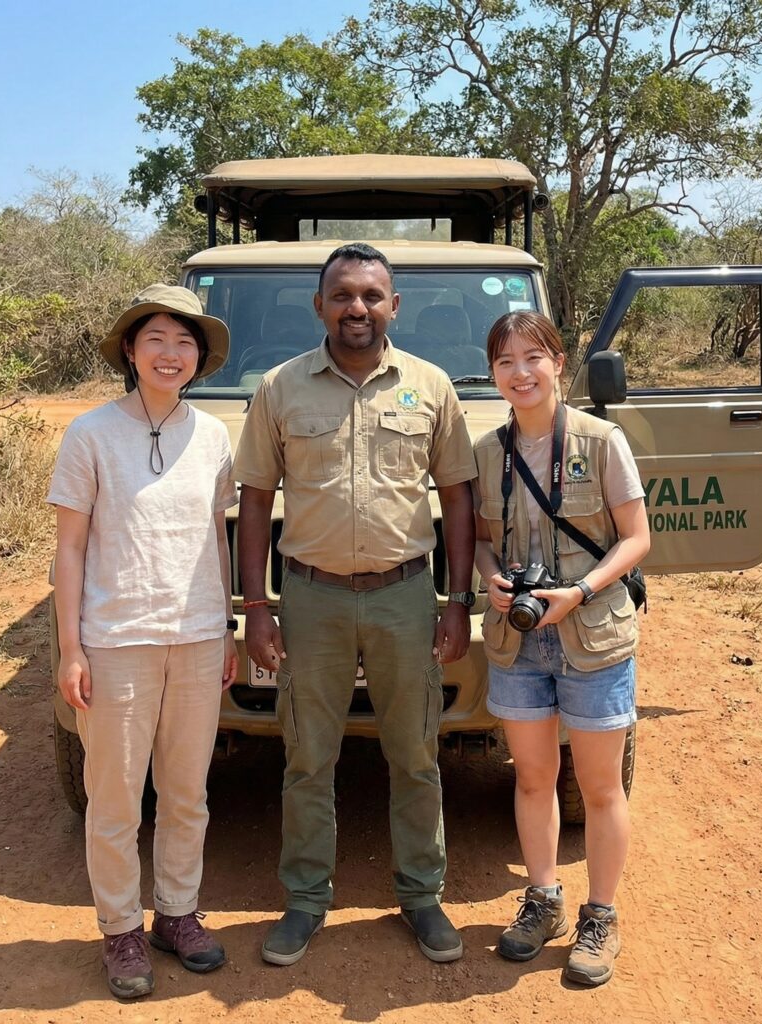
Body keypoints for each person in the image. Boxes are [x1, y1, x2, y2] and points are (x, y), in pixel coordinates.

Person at [233, 243, 477, 966]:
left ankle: (421, 895)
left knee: (416, 755)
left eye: (372, 295)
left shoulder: (431, 387)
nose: (357, 308)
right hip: (311, 597)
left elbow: (458, 499)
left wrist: (455, 600)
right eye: (342, 295)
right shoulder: (279, 388)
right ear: (319, 306)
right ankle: (305, 900)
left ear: (394, 306)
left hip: (405, 594)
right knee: (308, 759)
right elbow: (253, 500)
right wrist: (258, 603)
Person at [49, 285, 238, 999]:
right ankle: (121, 927)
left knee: (188, 793)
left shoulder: (214, 435)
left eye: (184, 341)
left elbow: (214, 540)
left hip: (193, 640)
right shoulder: (90, 433)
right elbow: (68, 550)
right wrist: (72, 648)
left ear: (199, 357)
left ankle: (178, 914)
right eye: (155, 338)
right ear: (130, 350)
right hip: (116, 641)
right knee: (116, 798)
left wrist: (222, 630)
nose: (170, 353)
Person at [473, 311, 649, 986]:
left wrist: (579, 590)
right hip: (519, 641)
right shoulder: (489, 451)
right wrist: (488, 574)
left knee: (600, 787)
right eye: (503, 362)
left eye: (531, 358)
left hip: (592, 635)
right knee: (531, 777)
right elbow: (486, 536)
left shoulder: (601, 441)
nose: (519, 373)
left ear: (557, 364)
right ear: (492, 375)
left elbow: (636, 538)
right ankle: (541, 900)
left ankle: (598, 916)